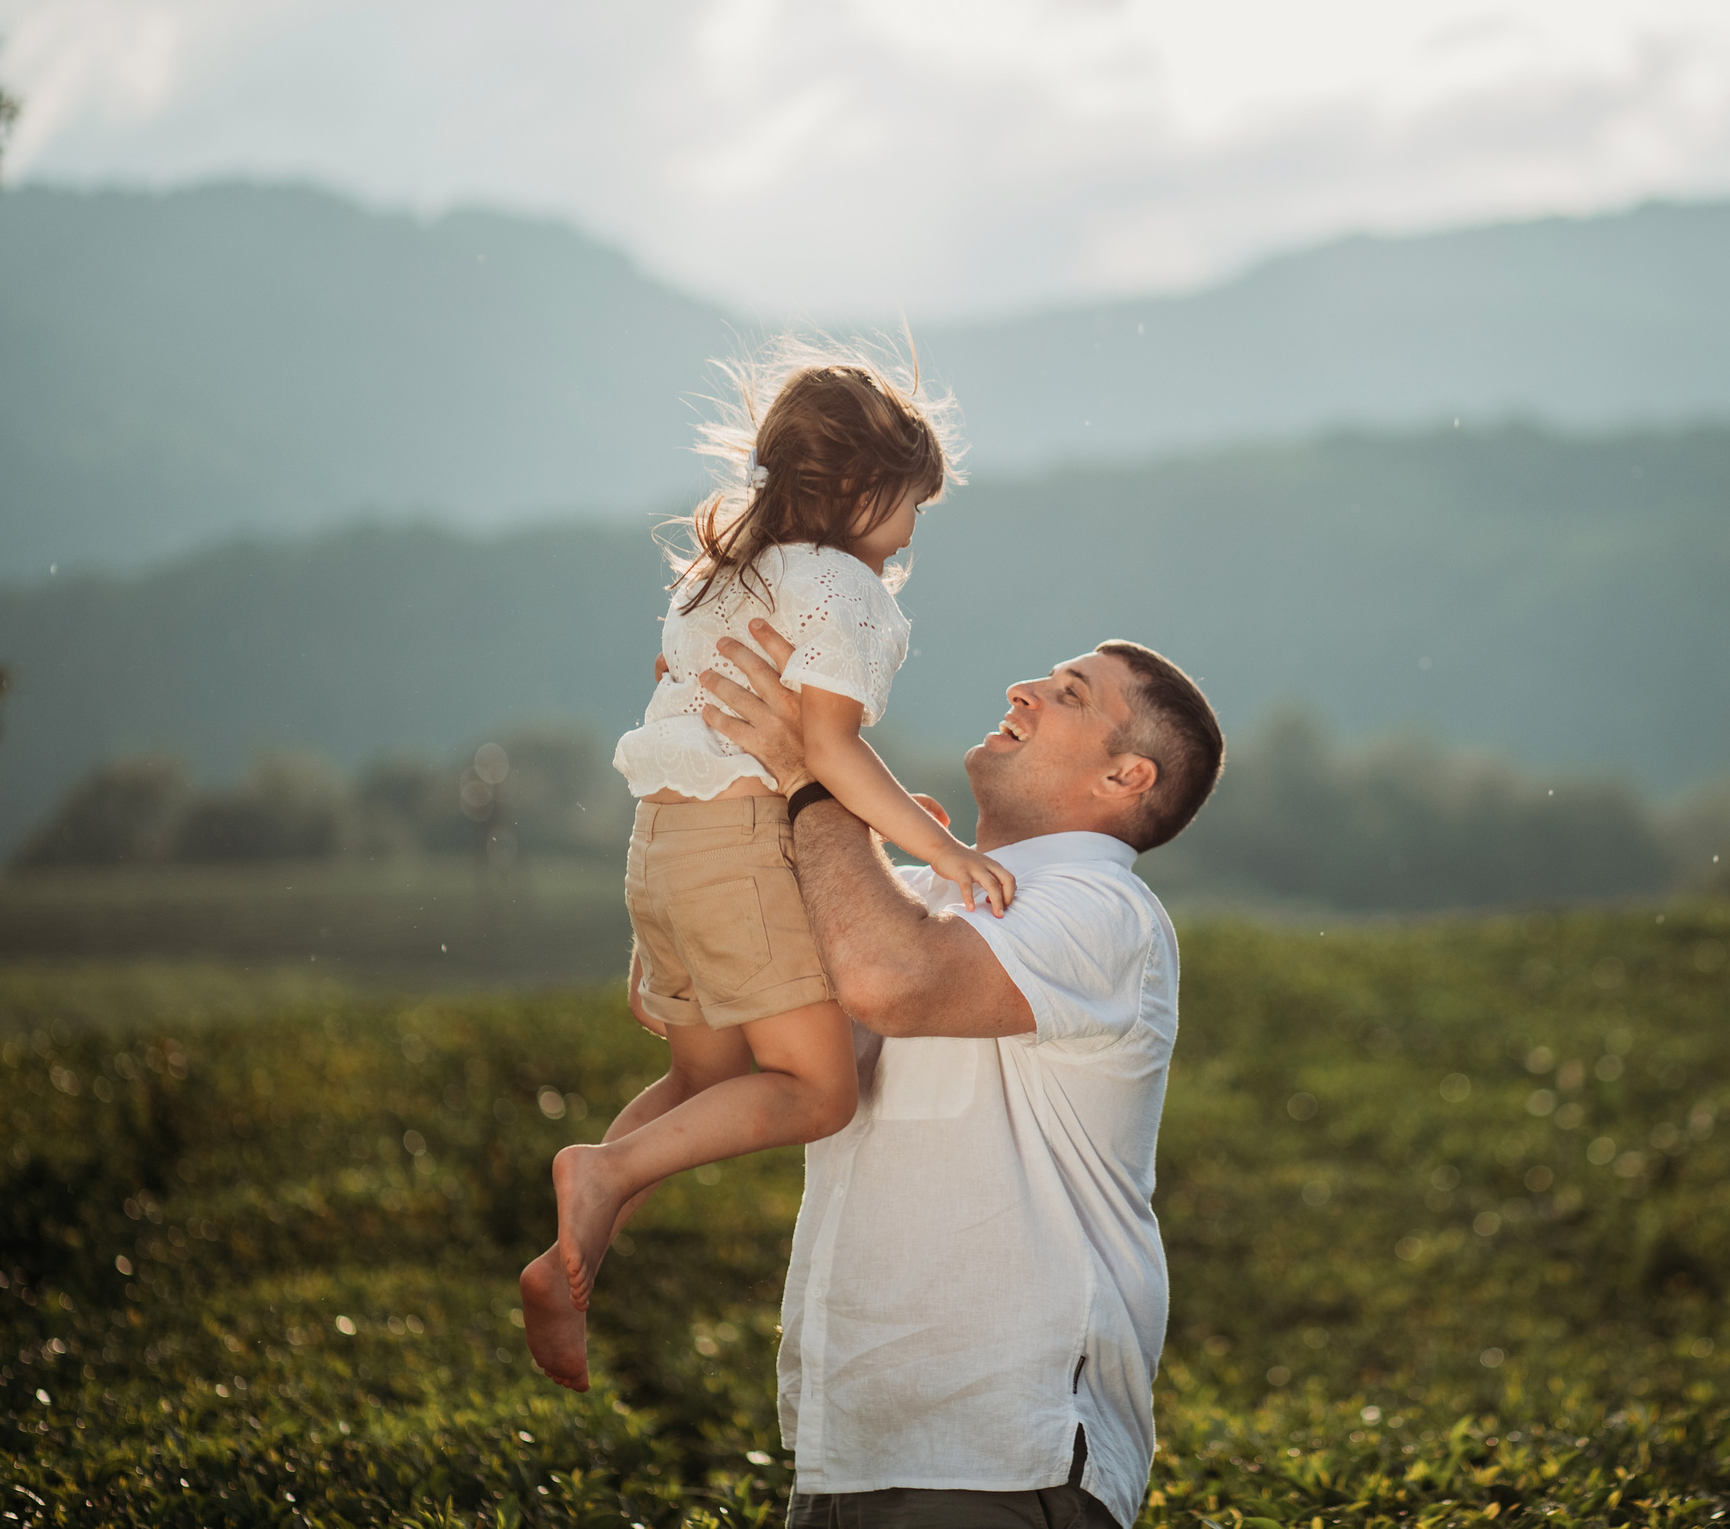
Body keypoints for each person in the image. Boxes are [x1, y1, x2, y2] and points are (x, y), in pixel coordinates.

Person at [520, 351, 1015, 1376]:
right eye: (911, 502)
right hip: (739, 845)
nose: (915, 528)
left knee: (700, 1075)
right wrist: (942, 848)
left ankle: (574, 1258)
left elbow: (685, 709)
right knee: (818, 1090)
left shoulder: (719, 578)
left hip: (662, 846)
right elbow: (827, 751)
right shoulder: (845, 589)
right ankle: (600, 1173)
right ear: (853, 491)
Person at [703, 618, 1220, 1529]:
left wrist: (816, 768)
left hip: (1003, 1454)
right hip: (852, 1448)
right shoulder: (931, 900)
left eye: (1070, 693)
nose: (1026, 689)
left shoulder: (1106, 911)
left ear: (1125, 777)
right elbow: (782, 1052)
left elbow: (889, 981)